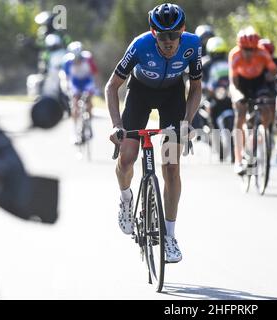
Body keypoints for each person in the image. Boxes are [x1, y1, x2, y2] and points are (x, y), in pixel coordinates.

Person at [105, 3, 202, 263]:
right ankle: (126, 199)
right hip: (140, 94)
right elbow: (112, 87)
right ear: (153, 32)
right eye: (162, 36)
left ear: (182, 31)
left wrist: (187, 121)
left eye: (173, 35)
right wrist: (117, 125)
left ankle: (169, 236)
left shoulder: (193, 45)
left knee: (171, 167)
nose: (169, 42)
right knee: (127, 158)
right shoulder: (139, 45)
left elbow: (195, 86)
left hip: (172, 96)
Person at [229, 27, 277, 175]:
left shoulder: (263, 53)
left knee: (266, 107)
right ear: (240, 47)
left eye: (252, 49)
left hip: (258, 82)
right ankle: (238, 160)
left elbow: (273, 70)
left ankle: (258, 136)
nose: (249, 53)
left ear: (256, 47)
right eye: (245, 49)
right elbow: (233, 82)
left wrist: (270, 76)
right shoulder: (235, 55)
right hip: (241, 84)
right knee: (240, 114)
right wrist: (237, 96)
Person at [63, 41, 99, 144]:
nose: (77, 61)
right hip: (75, 83)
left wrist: (96, 87)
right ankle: (74, 132)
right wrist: (67, 87)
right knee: (74, 105)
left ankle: (90, 125)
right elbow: (66, 77)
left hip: (87, 81)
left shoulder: (88, 58)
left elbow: (95, 73)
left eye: (79, 58)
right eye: (75, 59)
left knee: (89, 102)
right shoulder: (67, 61)